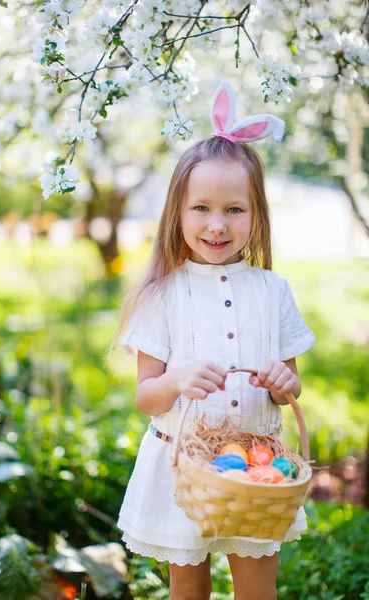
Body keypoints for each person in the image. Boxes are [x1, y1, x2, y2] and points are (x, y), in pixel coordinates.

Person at [116, 81, 315, 600]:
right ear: (177, 213)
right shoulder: (164, 292)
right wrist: (176, 379)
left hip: (257, 466)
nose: (217, 225)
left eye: (234, 210)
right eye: (201, 208)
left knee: (257, 589)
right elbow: (146, 396)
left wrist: (281, 381)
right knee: (189, 586)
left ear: (256, 215)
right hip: (184, 463)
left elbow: (290, 387)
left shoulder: (273, 290)